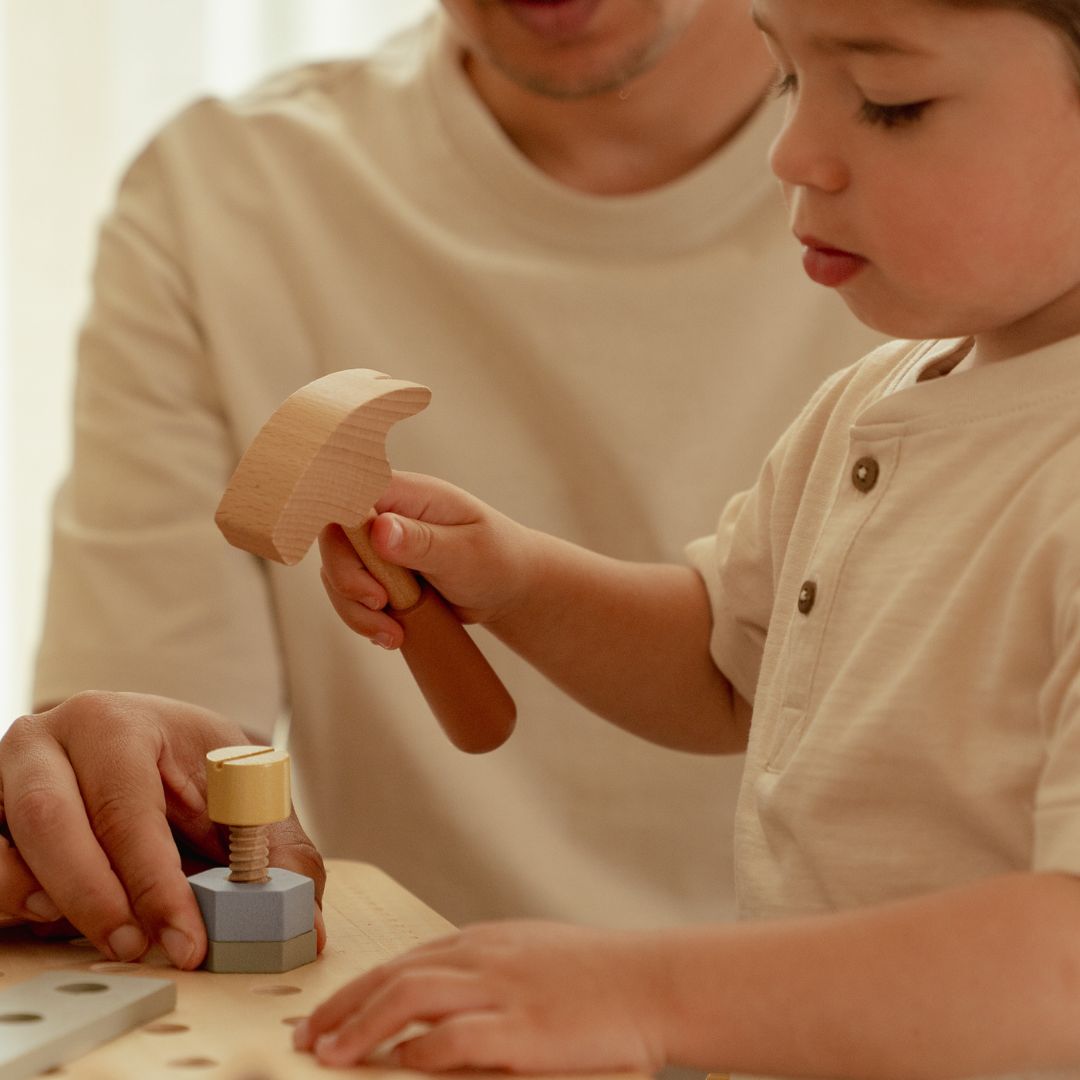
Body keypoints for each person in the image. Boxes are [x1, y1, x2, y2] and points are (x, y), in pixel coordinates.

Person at [291, 0, 1080, 1075]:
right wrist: (516, 580)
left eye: (891, 105)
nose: (791, 153)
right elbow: (730, 664)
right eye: (789, 81)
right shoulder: (877, 398)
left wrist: (643, 993)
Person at [9, 0, 878, 969]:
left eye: (901, 103)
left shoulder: (1005, 194)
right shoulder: (226, 196)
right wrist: (115, 793)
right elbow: (169, 796)